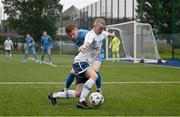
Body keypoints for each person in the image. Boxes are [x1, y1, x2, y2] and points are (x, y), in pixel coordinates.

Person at [48, 18, 114, 109]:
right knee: (94, 76)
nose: (101, 30)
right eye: (100, 28)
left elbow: (107, 34)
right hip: (81, 62)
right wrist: (83, 46)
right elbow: (87, 42)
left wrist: (112, 35)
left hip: (85, 63)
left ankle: (53, 95)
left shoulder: (102, 33)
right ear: (94, 26)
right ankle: (81, 102)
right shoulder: (90, 35)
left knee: (78, 93)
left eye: (103, 28)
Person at [62, 24, 103, 93]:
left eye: (73, 34)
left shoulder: (84, 33)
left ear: (76, 30)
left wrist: (97, 47)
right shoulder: (74, 37)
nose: (72, 36)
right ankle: (65, 89)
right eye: (70, 35)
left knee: (95, 70)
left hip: (96, 52)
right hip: (87, 54)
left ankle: (99, 89)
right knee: (73, 72)